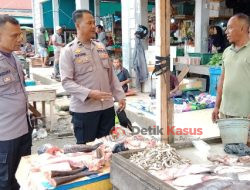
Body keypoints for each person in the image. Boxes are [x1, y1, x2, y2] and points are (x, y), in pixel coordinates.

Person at [60, 10, 126, 144]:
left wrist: (120, 96)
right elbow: (66, 82)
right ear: (78, 26)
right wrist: (89, 93)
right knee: (86, 152)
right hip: (85, 111)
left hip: (107, 109)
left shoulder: (100, 47)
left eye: (94, 23)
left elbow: (111, 75)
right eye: (89, 23)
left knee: (108, 147)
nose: (93, 26)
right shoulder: (69, 51)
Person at [0, 15, 32, 190]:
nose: (20, 39)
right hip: (5, 135)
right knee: (5, 181)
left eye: (20, 34)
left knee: (23, 177)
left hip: (23, 128)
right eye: (14, 35)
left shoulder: (14, 58)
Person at [212, 13, 250, 123]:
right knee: (227, 140)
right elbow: (222, 80)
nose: (226, 32)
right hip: (225, 112)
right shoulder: (226, 52)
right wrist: (216, 107)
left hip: (245, 114)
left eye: (230, 28)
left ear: (243, 28)